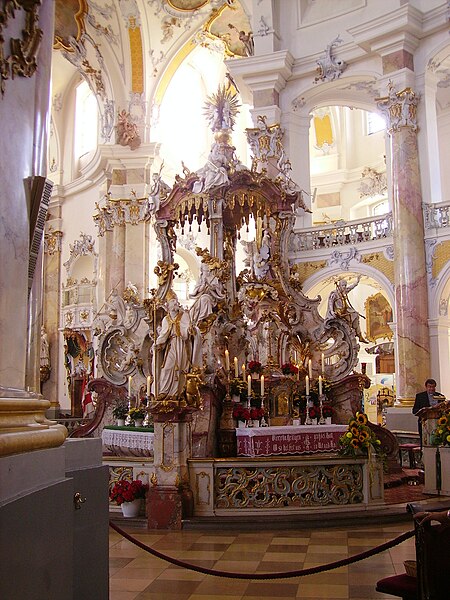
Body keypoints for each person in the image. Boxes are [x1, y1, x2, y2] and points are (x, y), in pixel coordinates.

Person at [153, 294, 202, 400]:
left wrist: (189, 330)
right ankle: (164, 391)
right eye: (173, 301)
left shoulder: (184, 316)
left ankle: (176, 393)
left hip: (182, 345)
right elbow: (163, 334)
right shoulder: (166, 319)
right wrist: (158, 344)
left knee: (180, 369)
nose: (175, 303)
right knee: (167, 367)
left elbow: (186, 333)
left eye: (176, 301)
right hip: (171, 344)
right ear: (168, 306)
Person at [325, 276, 368, 343]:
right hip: (338, 311)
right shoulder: (334, 294)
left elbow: (351, 287)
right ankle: (350, 331)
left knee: (356, 314)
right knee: (349, 319)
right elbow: (330, 303)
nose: (344, 287)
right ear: (339, 285)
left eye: (345, 285)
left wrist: (357, 281)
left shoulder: (344, 291)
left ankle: (359, 335)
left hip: (345, 309)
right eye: (343, 285)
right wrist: (332, 311)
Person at [413, 378, 445, 444]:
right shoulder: (420, 396)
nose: (431, 389)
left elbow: (444, 409)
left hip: (437, 423)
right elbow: (414, 410)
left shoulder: (440, 396)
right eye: (430, 387)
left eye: (433, 387)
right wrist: (424, 410)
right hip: (424, 423)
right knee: (425, 442)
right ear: (426, 387)